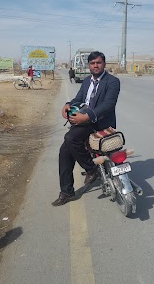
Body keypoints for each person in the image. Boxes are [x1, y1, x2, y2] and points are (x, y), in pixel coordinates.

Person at [52, 51, 120, 206]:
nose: (95, 65)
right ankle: (66, 192)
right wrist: (68, 104)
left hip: (100, 122)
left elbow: (108, 105)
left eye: (98, 62)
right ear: (88, 65)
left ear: (104, 64)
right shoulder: (87, 81)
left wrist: (87, 116)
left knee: (70, 138)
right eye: (92, 63)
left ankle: (91, 168)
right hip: (85, 121)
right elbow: (79, 99)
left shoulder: (112, 81)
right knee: (64, 152)